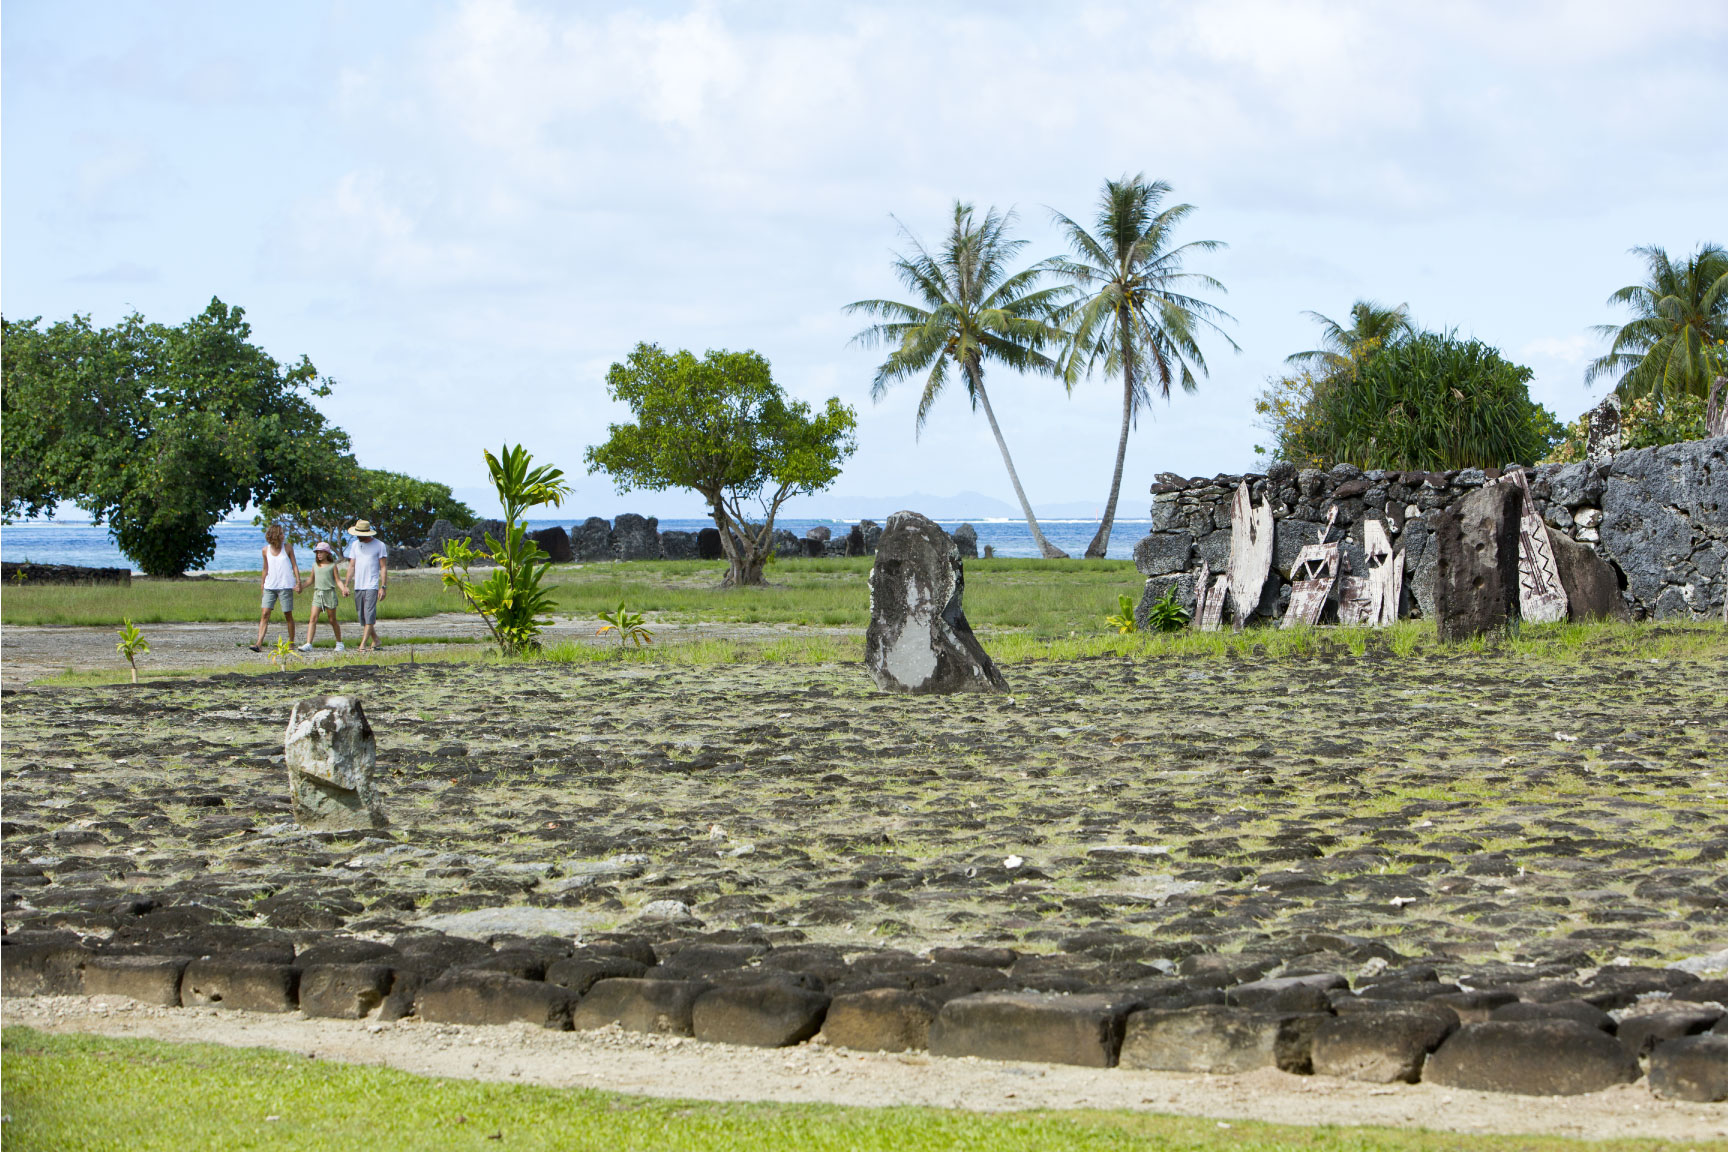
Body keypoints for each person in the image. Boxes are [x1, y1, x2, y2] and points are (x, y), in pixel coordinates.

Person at [252, 524, 301, 652]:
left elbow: (294, 566)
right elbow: (265, 568)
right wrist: (262, 584)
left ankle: (291, 644)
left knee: (287, 614)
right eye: (281, 533)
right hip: (270, 585)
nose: (284, 535)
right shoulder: (265, 550)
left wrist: (298, 581)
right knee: (265, 613)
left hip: (285, 585)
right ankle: (259, 643)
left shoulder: (288, 548)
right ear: (275, 536)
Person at [343, 519, 389, 652]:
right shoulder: (355, 545)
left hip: (372, 584)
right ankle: (376, 639)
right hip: (359, 584)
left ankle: (362, 644)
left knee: (369, 614)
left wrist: (383, 586)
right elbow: (352, 566)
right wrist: (346, 584)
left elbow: (383, 567)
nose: (358, 536)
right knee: (362, 617)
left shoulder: (379, 545)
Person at [297, 542, 347, 652]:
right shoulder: (315, 565)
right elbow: (311, 580)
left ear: (327, 553)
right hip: (318, 594)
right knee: (313, 618)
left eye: (321, 552)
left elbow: (338, 580)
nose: (319, 554)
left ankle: (339, 643)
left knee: (332, 620)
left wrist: (343, 589)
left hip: (329, 594)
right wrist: (301, 587)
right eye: (317, 552)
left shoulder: (332, 566)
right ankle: (309, 643)